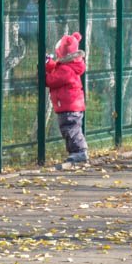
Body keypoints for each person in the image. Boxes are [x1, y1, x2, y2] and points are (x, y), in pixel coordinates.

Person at [45, 32, 89, 167]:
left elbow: (52, 80)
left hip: (69, 106)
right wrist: (48, 64)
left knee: (71, 129)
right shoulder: (69, 65)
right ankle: (75, 153)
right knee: (71, 129)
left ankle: (80, 152)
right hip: (71, 105)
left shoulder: (66, 70)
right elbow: (55, 69)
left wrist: (42, 72)